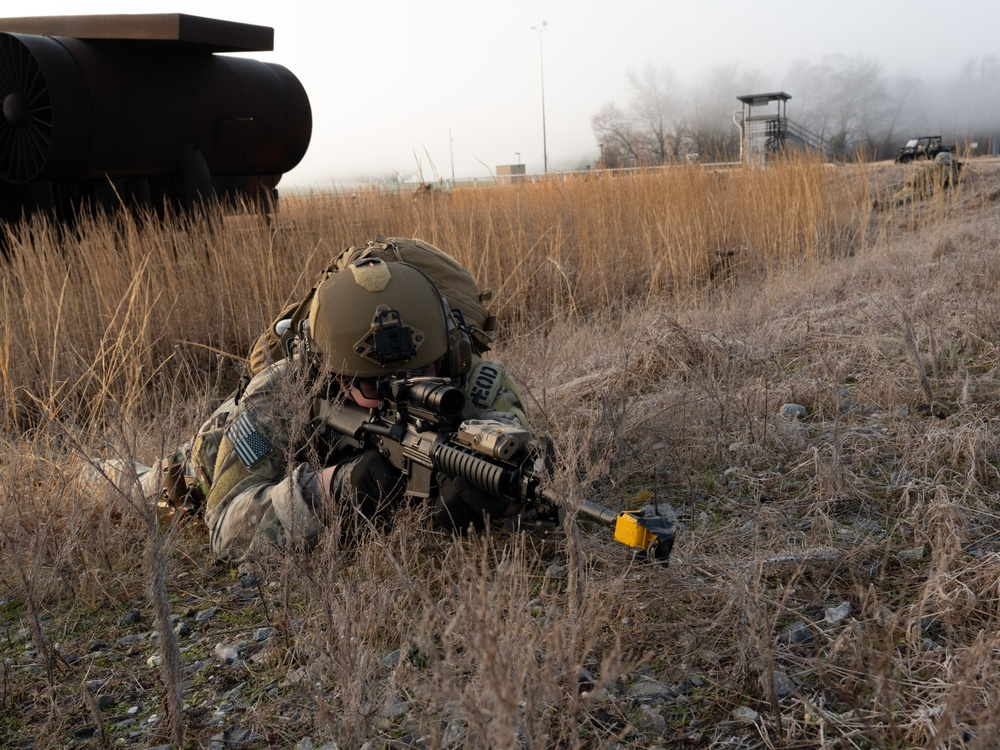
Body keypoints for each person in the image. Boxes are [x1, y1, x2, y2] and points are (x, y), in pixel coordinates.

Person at [202, 257, 529, 563]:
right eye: (375, 386)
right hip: (206, 454)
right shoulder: (278, 395)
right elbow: (225, 531)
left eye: (421, 374)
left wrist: (502, 497)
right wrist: (333, 489)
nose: (404, 393)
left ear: (447, 355)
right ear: (331, 379)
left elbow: (515, 456)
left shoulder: (477, 380)